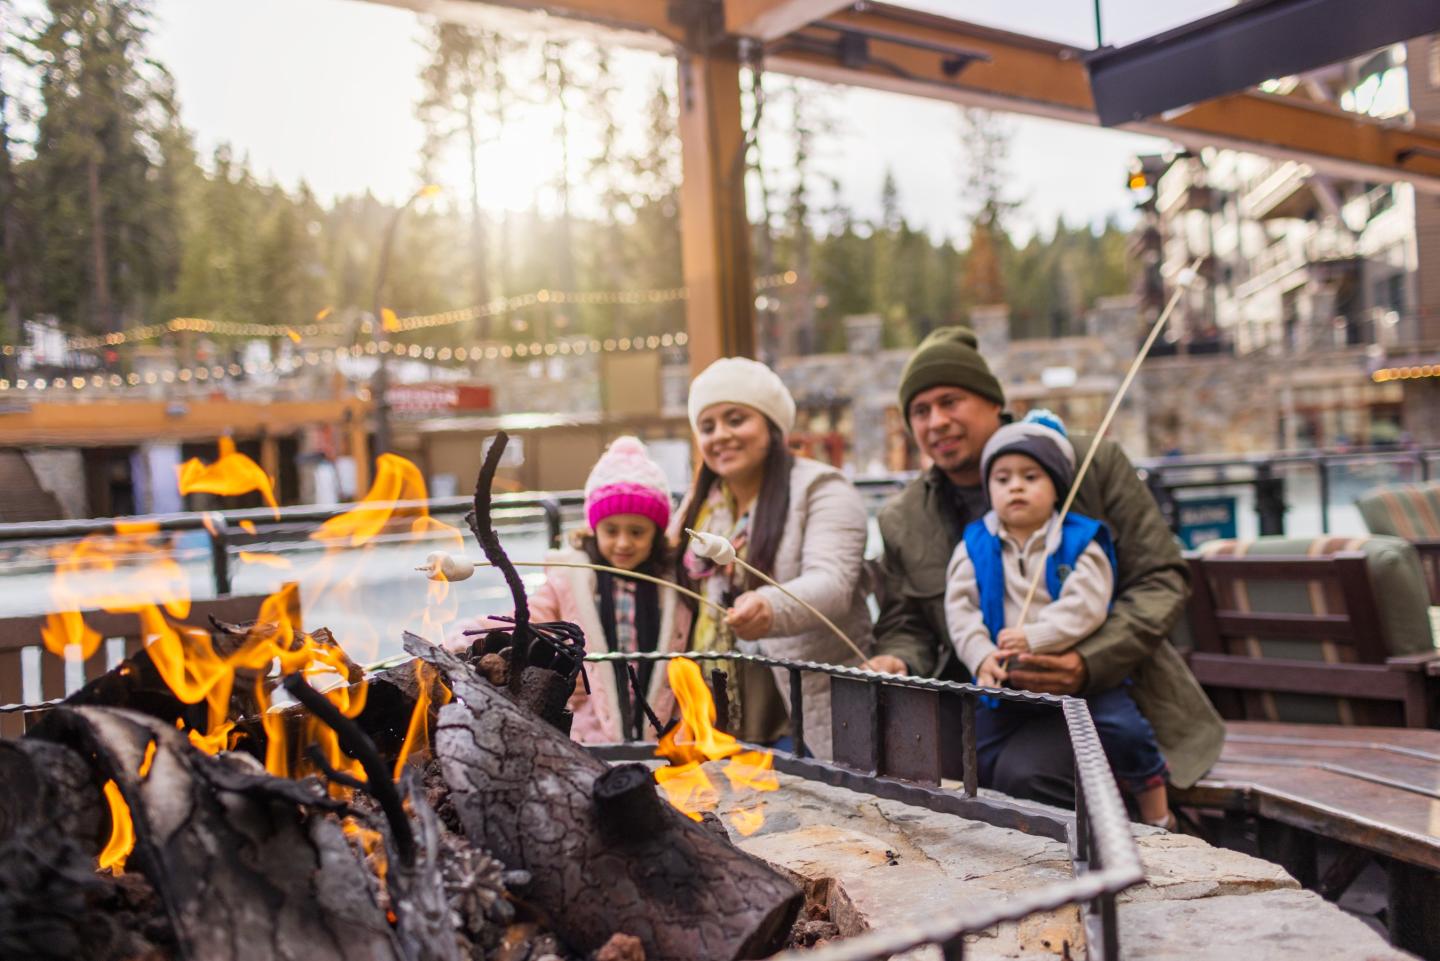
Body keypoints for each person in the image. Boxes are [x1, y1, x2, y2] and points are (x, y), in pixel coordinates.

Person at [864, 326, 1222, 807]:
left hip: (1110, 695)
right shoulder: (904, 518)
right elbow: (907, 623)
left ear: (994, 402)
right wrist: (899, 659)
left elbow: (1162, 577)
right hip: (990, 701)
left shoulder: (1092, 464)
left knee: (1024, 777)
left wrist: (1086, 661)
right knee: (906, 765)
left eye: (951, 401)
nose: (936, 422)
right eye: (920, 411)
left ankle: (1106, 874)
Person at [946, 412, 1172, 826]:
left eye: (1030, 477)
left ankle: (1158, 811)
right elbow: (960, 608)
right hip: (1007, 678)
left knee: (1126, 730)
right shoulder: (974, 543)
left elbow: (1087, 603)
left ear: (1057, 488)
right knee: (975, 746)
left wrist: (1038, 636)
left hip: (1079, 678)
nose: (1015, 486)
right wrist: (980, 655)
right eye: (1002, 479)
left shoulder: (1080, 539)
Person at [676, 357, 872, 759]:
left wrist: (769, 606)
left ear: (771, 424)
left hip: (801, 712)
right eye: (707, 426)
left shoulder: (822, 489)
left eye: (736, 419)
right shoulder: (700, 509)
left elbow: (832, 581)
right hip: (713, 713)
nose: (721, 436)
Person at [449, 436, 688, 744]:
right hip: (592, 734)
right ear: (594, 528)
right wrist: (470, 635)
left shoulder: (671, 587)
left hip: (665, 733)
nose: (623, 543)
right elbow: (527, 620)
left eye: (637, 532)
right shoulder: (570, 582)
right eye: (611, 530)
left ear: (656, 533)